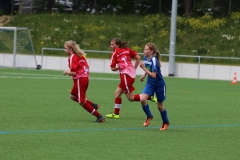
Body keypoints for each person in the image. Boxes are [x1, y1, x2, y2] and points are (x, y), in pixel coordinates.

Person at [106, 37, 156, 119]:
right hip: (130, 75)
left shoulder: (114, 54)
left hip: (126, 77)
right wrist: (134, 68)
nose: (110, 46)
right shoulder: (127, 50)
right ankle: (116, 114)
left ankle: (149, 96)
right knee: (117, 94)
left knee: (131, 98)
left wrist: (118, 68)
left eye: (112, 44)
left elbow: (112, 68)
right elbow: (138, 57)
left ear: (117, 45)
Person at [63, 40, 105, 122]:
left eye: (65, 48)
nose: (64, 50)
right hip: (83, 79)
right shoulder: (80, 55)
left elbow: (74, 72)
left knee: (81, 101)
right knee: (73, 96)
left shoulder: (73, 57)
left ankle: (99, 116)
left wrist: (66, 71)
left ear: (70, 49)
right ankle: (93, 105)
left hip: (80, 79)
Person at [135, 42, 170, 130]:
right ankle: (149, 116)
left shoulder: (154, 60)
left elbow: (154, 75)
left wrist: (143, 68)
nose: (144, 51)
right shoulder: (145, 58)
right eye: (144, 49)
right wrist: (144, 75)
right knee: (142, 99)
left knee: (159, 106)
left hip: (159, 85)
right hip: (150, 84)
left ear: (151, 51)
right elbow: (148, 69)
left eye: (146, 49)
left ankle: (165, 122)